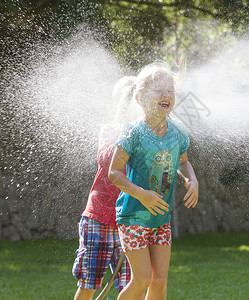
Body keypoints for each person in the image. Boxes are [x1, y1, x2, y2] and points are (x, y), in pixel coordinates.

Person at [108, 63, 199, 300]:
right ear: (140, 98)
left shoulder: (177, 131)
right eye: (159, 90)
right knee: (142, 279)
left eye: (170, 90)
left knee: (159, 281)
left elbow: (182, 162)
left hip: (161, 218)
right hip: (133, 216)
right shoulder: (133, 132)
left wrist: (193, 180)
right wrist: (141, 194)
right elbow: (114, 172)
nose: (166, 94)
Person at [72, 76, 141, 300]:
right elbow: (104, 159)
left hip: (130, 220)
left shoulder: (147, 138)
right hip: (98, 219)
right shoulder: (111, 129)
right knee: (88, 284)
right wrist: (126, 135)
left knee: (134, 285)